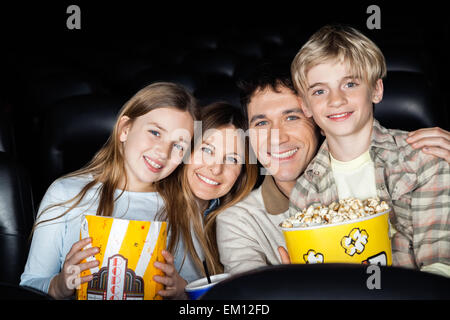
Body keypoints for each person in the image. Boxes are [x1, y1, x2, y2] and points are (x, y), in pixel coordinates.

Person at [216, 59, 450, 276]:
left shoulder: (396, 171)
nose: (276, 138)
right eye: (262, 123)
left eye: (292, 118)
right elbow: (253, 300)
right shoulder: (238, 222)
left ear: (319, 120)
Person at [289, 25, 449, 276]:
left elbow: (439, 270)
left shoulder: (424, 158)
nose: (336, 100)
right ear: (305, 105)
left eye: (350, 84)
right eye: (320, 91)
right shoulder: (304, 193)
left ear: (376, 90)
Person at [20, 82, 198, 299]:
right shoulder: (66, 194)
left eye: (179, 145)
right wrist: (59, 285)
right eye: (154, 132)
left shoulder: (183, 207)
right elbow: (29, 285)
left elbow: (198, 294)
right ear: (125, 129)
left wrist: (180, 291)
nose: (163, 151)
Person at [153, 102, 258, 298]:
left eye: (233, 159)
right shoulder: (151, 208)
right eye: (207, 150)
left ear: (242, 174)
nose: (216, 169)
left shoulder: (238, 223)